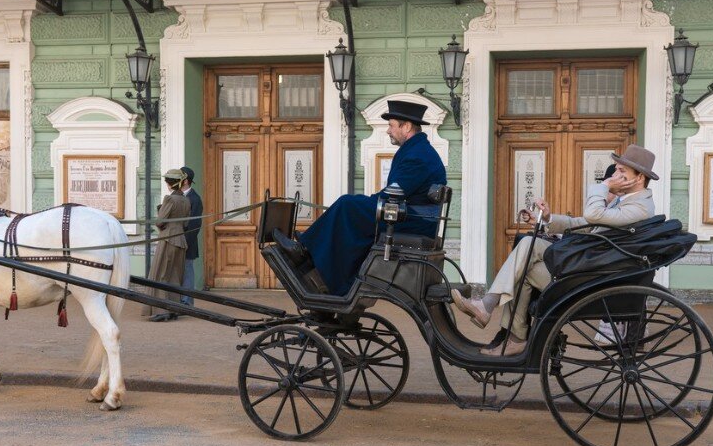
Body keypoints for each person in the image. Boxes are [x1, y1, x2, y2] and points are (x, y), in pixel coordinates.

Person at [452, 145, 659, 356]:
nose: (615, 175)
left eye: (621, 171)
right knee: (524, 264)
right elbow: (585, 222)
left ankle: (488, 307)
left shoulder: (639, 207)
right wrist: (548, 219)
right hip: (587, 269)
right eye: (615, 170)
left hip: (590, 280)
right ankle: (513, 335)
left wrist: (603, 185)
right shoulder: (629, 202)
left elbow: (593, 214)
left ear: (639, 177)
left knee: (525, 253)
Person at [275, 100, 446, 295]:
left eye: (391, 125)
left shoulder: (417, 155)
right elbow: (394, 194)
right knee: (351, 212)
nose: (388, 131)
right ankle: (326, 269)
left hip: (410, 222)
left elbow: (393, 195)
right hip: (410, 218)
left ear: (406, 127)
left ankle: (307, 252)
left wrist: (369, 202)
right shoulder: (418, 150)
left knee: (347, 204)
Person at [145, 169, 191, 322]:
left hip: (168, 239)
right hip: (181, 240)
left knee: (162, 274)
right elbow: (186, 223)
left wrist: (160, 212)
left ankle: (162, 310)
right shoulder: (185, 200)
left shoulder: (169, 199)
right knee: (175, 276)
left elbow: (160, 222)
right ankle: (173, 309)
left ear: (169, 183)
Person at [179, 166, 203, 307]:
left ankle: (187, 301)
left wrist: (185, 242)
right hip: (178, 241)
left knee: (187, 271)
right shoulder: (178, 196)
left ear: (186, 181)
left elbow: (194, 224)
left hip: (187, 242)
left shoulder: (194, 199)